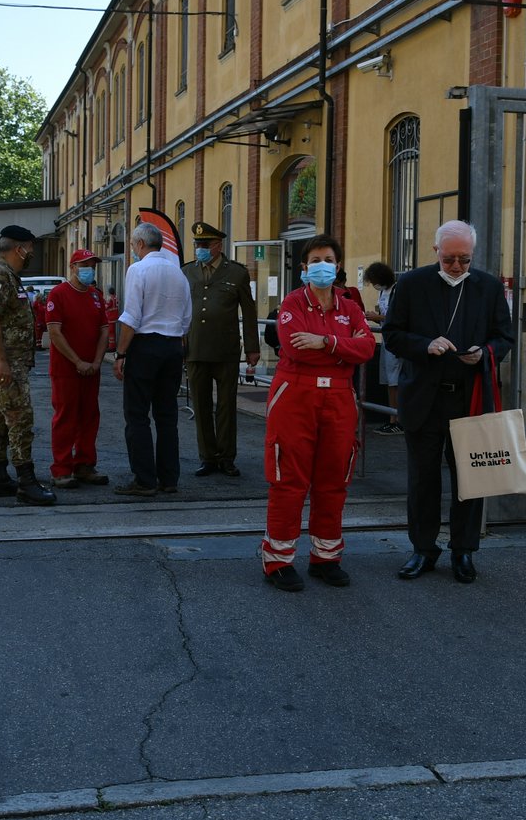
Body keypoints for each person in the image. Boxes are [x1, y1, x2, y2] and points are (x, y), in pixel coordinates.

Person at [382, 219, 514, 584]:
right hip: (423, 398)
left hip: (468, 399)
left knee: (471, 481)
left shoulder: (488, 287)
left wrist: (485, 352)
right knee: (422, 480)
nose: (457, 266)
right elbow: (392, 335)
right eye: (450, 258)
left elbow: (504, 337)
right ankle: (423, 549)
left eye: (465, 259)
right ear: (435, 251)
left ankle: (463, 551)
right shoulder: (410, 284)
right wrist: (425, 345)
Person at [260, 235, 376, 591]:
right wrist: (345, 350)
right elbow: (297, 351)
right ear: (304, 267)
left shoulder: (350, 306)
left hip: (339, 399)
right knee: (289, 480)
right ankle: (278, 560)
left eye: (329, 258)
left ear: (338, 265)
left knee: (334, 480)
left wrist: (327, 342)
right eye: (315, 259)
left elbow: (368, 347)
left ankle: (326, 557)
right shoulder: (292, 303)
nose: (323, 265)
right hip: (295, 395)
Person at [0, 225, 57, 506]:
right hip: (6, 363)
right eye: (30, 248)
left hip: (11, 362)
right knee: (21, 419)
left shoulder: (9, 275)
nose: (31, 253)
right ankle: (26, 482)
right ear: (18, 248)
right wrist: (1, 361)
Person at [111, 222, 192, 497]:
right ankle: (169, 478)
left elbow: (131, 316)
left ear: (141, 244)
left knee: (137, 415)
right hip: (173, 345)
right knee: (167, 416)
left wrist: (121, 353)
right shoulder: (179, 274)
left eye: (134, 245)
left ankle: (144, 479)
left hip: (146, 345)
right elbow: (187, 318)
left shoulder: (138, 269)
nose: (133, 250)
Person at [182, 221, 260, 477]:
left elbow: (249, 311)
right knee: (201, 405)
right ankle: (208, 457)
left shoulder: (236, 273)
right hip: (195, 348)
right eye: (197, 244)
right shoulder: (187, 272)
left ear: (218, 245)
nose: (200, 249)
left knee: (226, 406)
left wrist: (252, 347)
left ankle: (227, 456)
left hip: (225, 348)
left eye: (205, 244)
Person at [45, 248, 111, 488]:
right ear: (72, 268)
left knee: (90, 416)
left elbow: (104, 329)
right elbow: (54, 332)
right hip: (66, 370)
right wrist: (77, 362)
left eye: (92, 265)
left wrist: (95, 361)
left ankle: (85, 465)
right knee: (66, 418)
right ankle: (61, 469)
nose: (89, 270)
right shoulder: (58, 294)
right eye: (84, 265)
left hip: (91, 369)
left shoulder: (95, 295)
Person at [362, 261, 402, 435]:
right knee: (388, 380)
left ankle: (398, 419)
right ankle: (391, 417)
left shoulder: (396, 290)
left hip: (395, 342)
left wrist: (376, 316)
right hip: (387, 340)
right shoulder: (383, 293)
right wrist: (376, 318)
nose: (373, 285)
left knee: (395, 381)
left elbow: (398, 316)